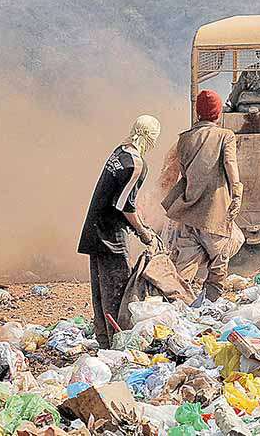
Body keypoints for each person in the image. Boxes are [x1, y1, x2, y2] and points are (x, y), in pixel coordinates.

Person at [78, 115, 161, 348]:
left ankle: (104, 340)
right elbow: (124, 206)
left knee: (100, 291)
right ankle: (119, 344)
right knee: (117, 291)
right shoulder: (136, 164)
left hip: (95, 228)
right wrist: (144, 233)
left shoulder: (120, 152)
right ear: (152, 138)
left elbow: (122, 199)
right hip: (110, 236)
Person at [162, 90, 244, 304]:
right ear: (217, 113)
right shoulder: (226, 136)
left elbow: (182, 172)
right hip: (214, 213)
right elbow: (230, 164)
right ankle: (210, 303)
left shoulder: (184, 139)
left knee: (185, 263)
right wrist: (236, 193)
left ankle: (176, 303)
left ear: (198, 113)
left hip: (188, 212)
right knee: (220, 257)